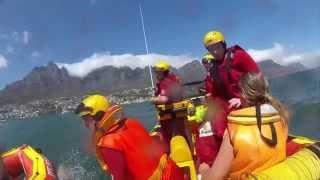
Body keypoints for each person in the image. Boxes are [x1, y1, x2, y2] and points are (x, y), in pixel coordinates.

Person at [200, 73, 288, 180]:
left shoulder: (235, 130)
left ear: (243, 95)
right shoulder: (281, 120)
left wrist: (203, 169)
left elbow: (213, 178)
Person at [74, 94, 184, 180]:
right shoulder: (131, 122)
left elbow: (118, 177)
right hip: (173, 171)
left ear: (97, 116)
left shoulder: (108, 144)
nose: (85, 125)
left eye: (86, 119)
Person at [197, 31, 261, 166]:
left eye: (217, 47)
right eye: (210, 49)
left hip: (248, 102)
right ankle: (217, 163)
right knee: (208, 129)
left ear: (223, 44)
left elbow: (257, 76)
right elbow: (215, 94)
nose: (214, 51)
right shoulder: (214, 68)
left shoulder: (238, 56)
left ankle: (244, 156)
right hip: (229, 107)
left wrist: (244, 99)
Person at [152, 60, 190, 150]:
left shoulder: (165, 82)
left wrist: (154, 99)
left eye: (158, 73)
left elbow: (164, 99)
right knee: (184, 137)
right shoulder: (173, 80)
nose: (156, 75)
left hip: (170, 121)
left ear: (164, 73)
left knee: (171, 142)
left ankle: (173, 159)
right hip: (179, 118)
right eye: (156, 73)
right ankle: (190, 154)